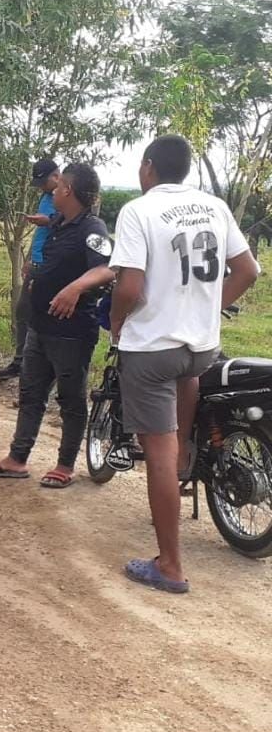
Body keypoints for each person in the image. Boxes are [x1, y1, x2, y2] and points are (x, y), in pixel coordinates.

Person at [109, 135, 259, 594]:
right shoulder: (214, 206)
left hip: (153, 348)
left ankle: (170, 566)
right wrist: (209, 310)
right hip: (201, 346)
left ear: (149, 167)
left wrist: (117, 324)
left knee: (157, 454)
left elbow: (130, 286)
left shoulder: (138, 210)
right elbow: (248, 270)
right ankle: (185, 462)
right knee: (182, 411)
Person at [0, 163, 115, 487]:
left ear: (69, 191)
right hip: (40, 327)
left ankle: (65, 466)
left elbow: (108, 268)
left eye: (60, 183)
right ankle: (17, 459)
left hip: (71, 332)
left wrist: (75, 287)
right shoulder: (61, 223)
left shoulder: (92, 229)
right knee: (31, 394)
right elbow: (51, 228)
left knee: (70, 399)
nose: (54, 188)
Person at [0, 159, 61, 380]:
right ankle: (20, 362)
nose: (42, 186)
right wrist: (29, 256)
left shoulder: (65, 197)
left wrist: (49, 220)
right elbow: (40, 232)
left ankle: (36, 371)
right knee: (23, 311)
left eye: (44, 182)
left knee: (39, 317)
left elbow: (73, 222)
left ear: (56, 176)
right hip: (36, 262)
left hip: (51, 265)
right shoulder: (46, 196)